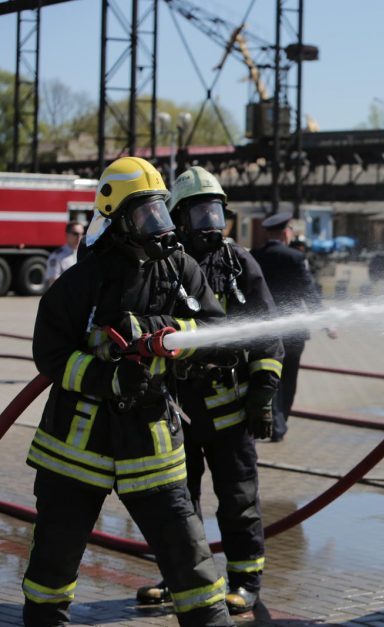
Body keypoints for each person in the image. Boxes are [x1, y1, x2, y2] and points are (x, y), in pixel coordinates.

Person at [23, 156, 232, 626]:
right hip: (77, 445)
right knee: (52, 563)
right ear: (117, 220)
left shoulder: (180, 270)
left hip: (151, 439)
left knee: (189, 557)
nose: (158, 226)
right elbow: (51, 355)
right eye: (145, 215)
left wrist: (166, 333)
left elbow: (215, 330)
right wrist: (109, 377)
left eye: (161, 212)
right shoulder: (83, 281)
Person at [134, 166, 284, 614]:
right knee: (178, 501)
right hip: (174, 409)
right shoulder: (160, 265)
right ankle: (182, 574)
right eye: (201, 214)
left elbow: (269, 332)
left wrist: (263, 389)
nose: (212, 225)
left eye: (217, 212)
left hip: (229, 410)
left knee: (238, 497)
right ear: (178, 218)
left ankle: (245, 580)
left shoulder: (240, 264)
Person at [251, 211, 322, 442]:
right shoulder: (295, 257)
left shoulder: (254, 256)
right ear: (286, 232)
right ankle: (280, 425)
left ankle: (268, 420)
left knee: (266, 376)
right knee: (288, 379)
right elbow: (308, 291)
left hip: (262, 331)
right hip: (293, 331)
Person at [44, 221, 84, 287]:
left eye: (81, 234)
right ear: (67, 234)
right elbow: (53, 283)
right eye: (75, 234)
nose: (79, 237)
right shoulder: (57, 256)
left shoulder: (85, 254)